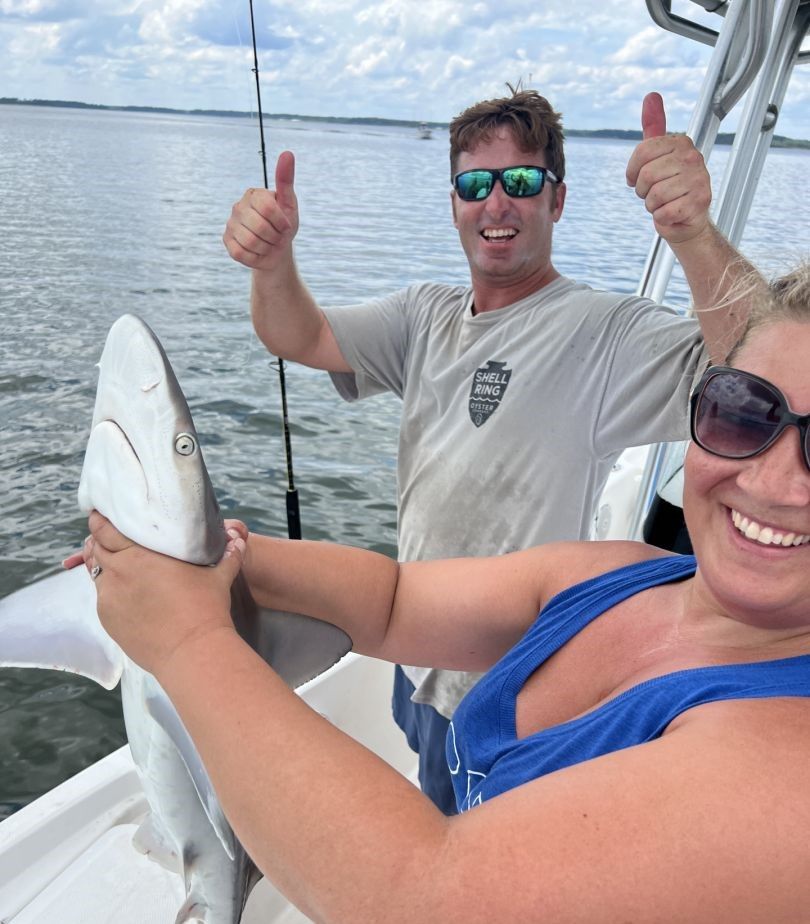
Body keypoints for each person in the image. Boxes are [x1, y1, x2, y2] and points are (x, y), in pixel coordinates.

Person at [84, 262, 810, 921]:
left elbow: (422, 895)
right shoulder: (612, 574)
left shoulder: (787, 776)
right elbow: (394, 601)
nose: (772, 483)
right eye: (746, 412)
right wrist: (212, 555)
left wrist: (188, 638)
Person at [222, 87, 756, 814]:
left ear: (557, 200)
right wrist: (273, 263)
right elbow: (298, 335)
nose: (496, 203)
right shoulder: (423, 316)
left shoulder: (606, 333)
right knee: (435, 805)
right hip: (415, 659)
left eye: (522, 182)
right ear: (454, 202)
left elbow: (757, 369)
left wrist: (692, 232)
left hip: (518, 684)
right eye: (475, 184)